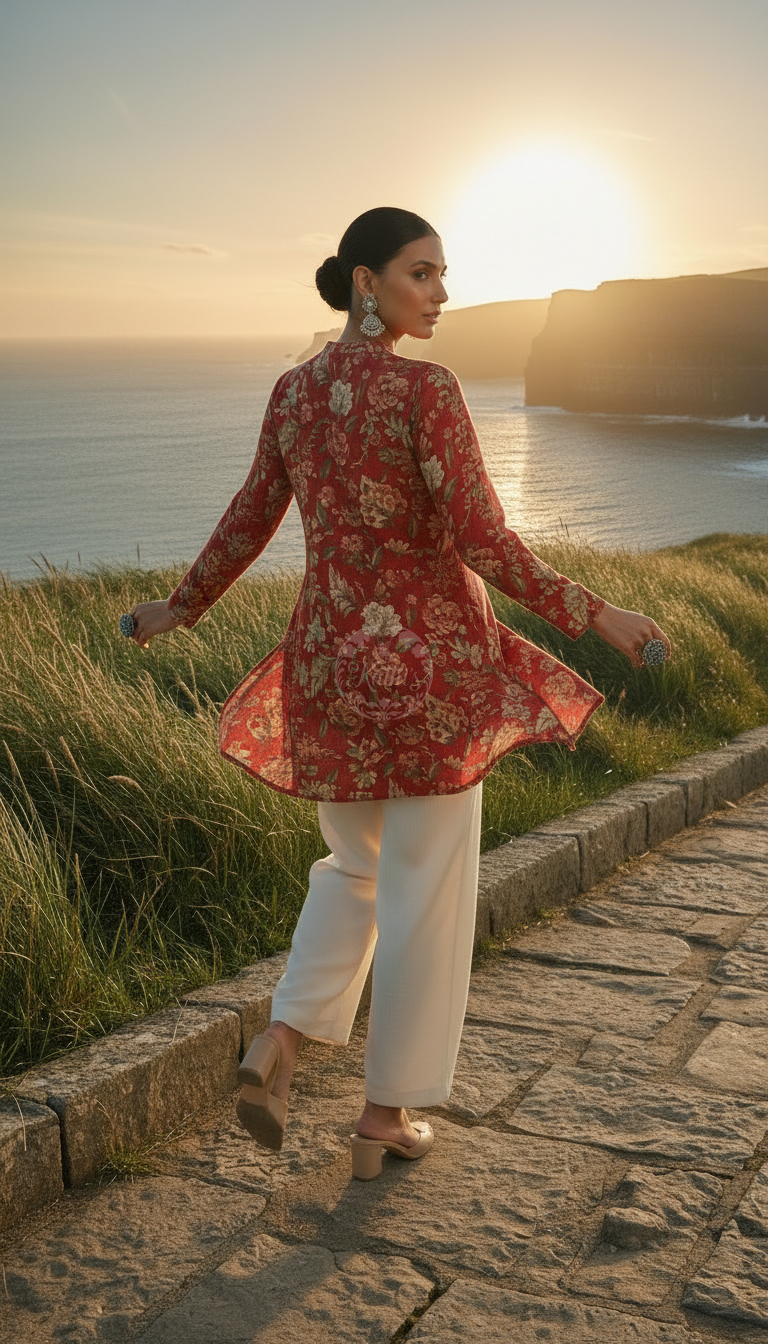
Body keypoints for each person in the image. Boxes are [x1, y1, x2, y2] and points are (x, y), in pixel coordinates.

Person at [127, 206, 670, 1180]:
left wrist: (180, 608)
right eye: (423, 273)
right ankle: (387, 1110)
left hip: (331, 666)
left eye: (444, 275)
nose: (442, 294)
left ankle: (283, 1043)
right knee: (427, 888)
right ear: (367, 281)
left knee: (353, 867)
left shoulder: (296, 395)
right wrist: (600, 614)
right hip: (426, 677)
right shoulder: (425, 390)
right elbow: (482, 538)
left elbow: (249, 519)